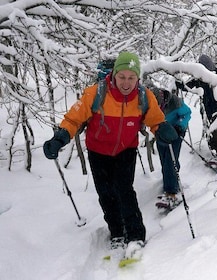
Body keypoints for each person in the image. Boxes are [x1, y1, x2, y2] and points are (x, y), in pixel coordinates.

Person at [43, 51, 178, 254]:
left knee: (124, 191)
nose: (126, 82)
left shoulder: (144, 97)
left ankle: (135, 235)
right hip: (98, 151)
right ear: (114, 75)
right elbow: (74, 119)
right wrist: (60, 137)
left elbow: (155, 120)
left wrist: (161, 128)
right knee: (106, 194)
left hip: (126, 150)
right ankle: (116, 232)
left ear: (137, 78)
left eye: (131, 77)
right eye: (122, 77)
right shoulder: (95, 93)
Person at [176, 54, 217, 161]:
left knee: (215, 129)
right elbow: (189, 86)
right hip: (206, 107)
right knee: (208, 128)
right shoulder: (200, 76)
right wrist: (180, 84)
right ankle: (214, 150)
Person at [152, 87, 191, 209]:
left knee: (170, 160)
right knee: (164, 159)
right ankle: (172, 181)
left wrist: (180, 126)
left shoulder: (175, 101)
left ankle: (171, 192)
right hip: (161, 133)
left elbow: (187, 113)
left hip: (176, 133)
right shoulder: (149, 104)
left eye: (158, 104)